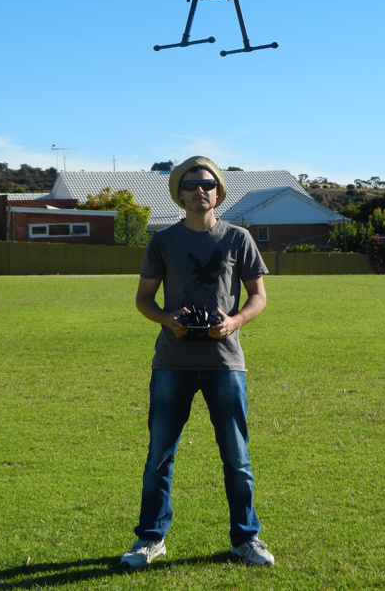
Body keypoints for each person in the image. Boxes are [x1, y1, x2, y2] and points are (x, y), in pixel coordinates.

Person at [120, 156, 274, 569]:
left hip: (226, 363)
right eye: (191, 184)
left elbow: (259, 297)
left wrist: (235, 321)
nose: (200, 189)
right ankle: (150, 540)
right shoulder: (163, 242)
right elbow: (143, 299)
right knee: (158, 457)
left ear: (218, 192)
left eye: (207, 183)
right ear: (180, 194)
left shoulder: (238, 238)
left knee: (237, 458)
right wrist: (168, 319)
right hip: (172, 362)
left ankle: (246, 539)